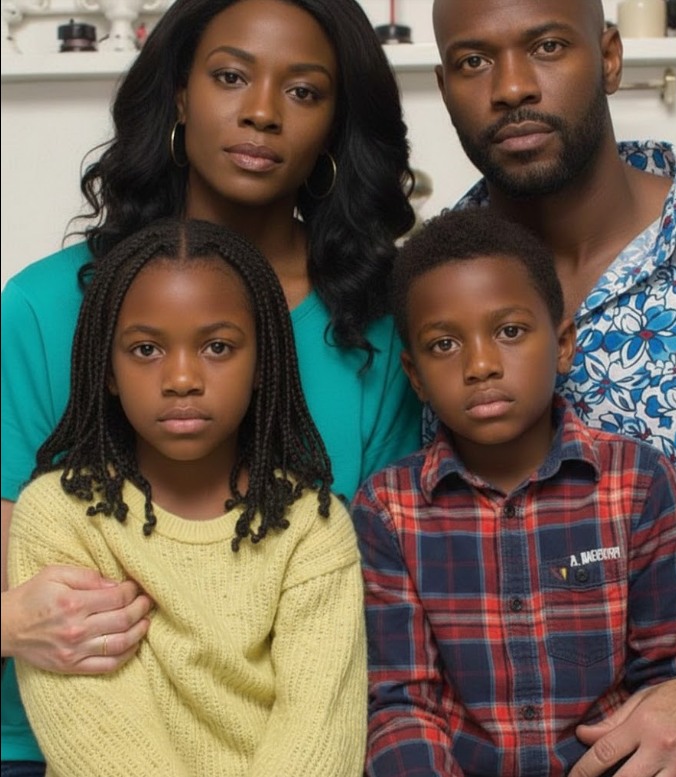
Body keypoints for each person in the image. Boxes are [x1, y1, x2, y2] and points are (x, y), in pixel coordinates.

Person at [1, 0, 421, 773]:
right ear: (179, 96)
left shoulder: (383, 325)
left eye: (303, 91)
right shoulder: (41, 306)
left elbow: (370, 599)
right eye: (230, 76)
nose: (262, 112)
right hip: (56, 743)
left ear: (335, 126)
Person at [429, 0, 676, 775]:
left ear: (609, 58)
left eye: (546, 46)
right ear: (442, 87)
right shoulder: (421, 293)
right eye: (474, 61)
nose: (511, 87)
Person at [351, 206, 676, 777]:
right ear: (415, 375)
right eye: (444, 344)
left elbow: (674, 680)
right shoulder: (388, 508)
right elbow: (402, 702)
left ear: (563, 343)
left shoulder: (639, 483)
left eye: (510, 332)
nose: (480, 365)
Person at [8, 217, 367, 777]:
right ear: (107, 370)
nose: (181, 378)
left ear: (262, 365)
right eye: (146, 349)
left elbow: (320, 733)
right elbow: (94, 737)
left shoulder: (312, 527)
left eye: (217, 347)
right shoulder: (61, 516)